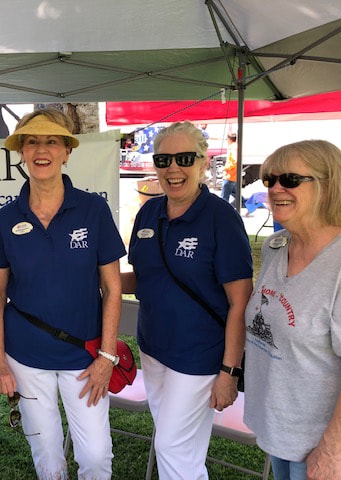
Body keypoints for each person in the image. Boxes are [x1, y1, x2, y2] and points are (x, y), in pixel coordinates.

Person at [0, 108, 126, 479]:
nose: (41, 149)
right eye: (31, 141)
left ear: (67, 151)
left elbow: (113, 289)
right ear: (21, 151)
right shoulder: (6, 217)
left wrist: (107, 357)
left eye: (51, 141)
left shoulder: (93, 209)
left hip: (85, 357)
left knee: (96, 457)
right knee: (48, 459)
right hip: (26, 356)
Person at [121, 121, 253, 479]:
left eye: (183, 158)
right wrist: (101, 283)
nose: (172, 168)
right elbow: (144, 277)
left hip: (200, 355)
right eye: (163, 159)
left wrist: (229, 371)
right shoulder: (149, 212)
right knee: (184, 450)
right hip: (153, 348)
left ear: (201, 163)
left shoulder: (221, 219)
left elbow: (240, 302)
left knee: (170, 445)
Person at [243, 140, 341, 480]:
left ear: (329, 185)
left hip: (329, 451)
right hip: (283, 433)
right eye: (269, 180)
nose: (275, 188)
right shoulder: (278, 248)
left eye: (289, 180)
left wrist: (331, 451)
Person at [221, 132, 246, 211]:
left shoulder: (232, 147)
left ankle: (222, 210)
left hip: (230, 175)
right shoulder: (237, 146)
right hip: (234, 175)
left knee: (224, 196)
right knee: (235, 192)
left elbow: (234, 161)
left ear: (229, 139)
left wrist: (226, 168)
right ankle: (245, 203)